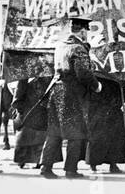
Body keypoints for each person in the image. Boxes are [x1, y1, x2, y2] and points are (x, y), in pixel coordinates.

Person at [41, 12, 100, 179]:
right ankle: (71, 170)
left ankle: (46, 167)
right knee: (77, 132)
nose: (87, 34)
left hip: (56, 93)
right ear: (82, 31)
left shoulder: (60, 45)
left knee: (54, 132)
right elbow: (83, 73)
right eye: (86, 31)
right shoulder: (78, 48)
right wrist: (96, 85)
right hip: (71, 94)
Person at [85, 73, 125, 173]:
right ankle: (93, 163)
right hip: (99, 95)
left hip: (114, 93)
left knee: (114, 133)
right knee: (98, 132)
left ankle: (113, 163)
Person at [10, 76, 49, 167]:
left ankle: (38, 159)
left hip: (39, 111)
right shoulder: (24, 79)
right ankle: (22, 160)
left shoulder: (45, 79)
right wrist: (19, 107)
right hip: (27, 110)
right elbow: (18, 96)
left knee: (38, 136)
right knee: (26, 136)